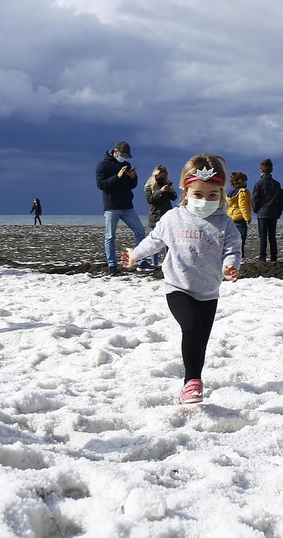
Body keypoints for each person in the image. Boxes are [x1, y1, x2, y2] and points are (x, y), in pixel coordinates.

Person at [121, 153, 242, 405]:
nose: (205, 200)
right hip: (178, 287)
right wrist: (134, 255)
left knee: (201, 342)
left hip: (208, 291)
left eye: (212, 195)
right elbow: (154, 241)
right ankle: (192, 383)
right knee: (192, 327)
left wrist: (230, 266)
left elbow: (232, 249)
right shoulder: (172, 218)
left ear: (220, 194)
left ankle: (194, 377)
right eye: (198, 194)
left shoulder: (224, 223)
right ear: (186, 192)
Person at [97, 141, 145, 276]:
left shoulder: (126, 165)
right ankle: (112, 265)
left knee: (140, 232)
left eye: (127, 156)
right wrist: (117, 177)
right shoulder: (103, 165)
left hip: (127, 206)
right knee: (110, 237)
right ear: (116, 151)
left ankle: (141, 261)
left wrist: (133, 178)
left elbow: (131, 186)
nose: (125, 158)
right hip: (111, 207)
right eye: (123, 155)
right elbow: (101, 185)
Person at [252, 158, 283, 261]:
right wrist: (279, 211)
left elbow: (255, 199)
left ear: (261, 170)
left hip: (262, 213)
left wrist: (255, 209)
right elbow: (281, 200)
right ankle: (274, 257)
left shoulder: (259, 184)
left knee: (263, 236)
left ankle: (262, 257)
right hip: (273, 212)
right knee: (272, 236)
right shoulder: (276, 184)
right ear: (271, 170)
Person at [226, 171, 252, 256]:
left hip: (231, 217)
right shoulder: (242, 192)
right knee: (241, 240)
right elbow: (243, 206)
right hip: (240, 218)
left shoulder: (230, 193)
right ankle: (240, 256)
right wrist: (247, 218)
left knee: (232, 239)